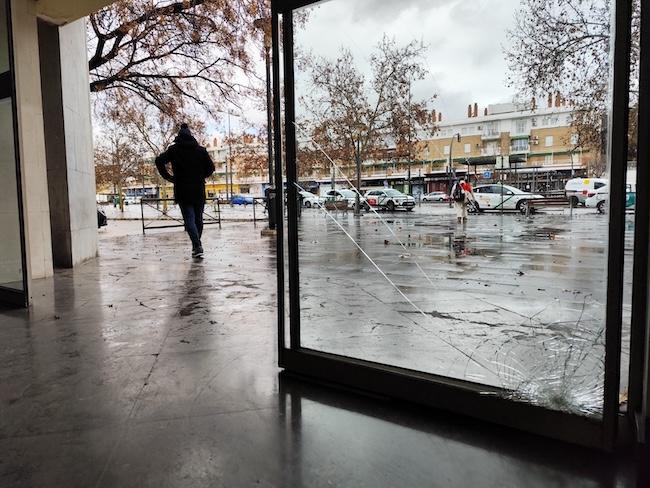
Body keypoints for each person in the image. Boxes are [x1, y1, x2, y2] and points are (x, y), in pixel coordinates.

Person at [155, 123, 215, 258]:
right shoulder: (201, 150)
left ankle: (197, 245)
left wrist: (168, 177)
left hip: (182, 189)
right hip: (198, 188)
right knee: (198, 219)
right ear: (191, 135)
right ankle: (197, 245)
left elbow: (159, 160)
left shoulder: (174, 150)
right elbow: (211, 168)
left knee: (189, 219)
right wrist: (200, 176)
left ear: (179, 136)